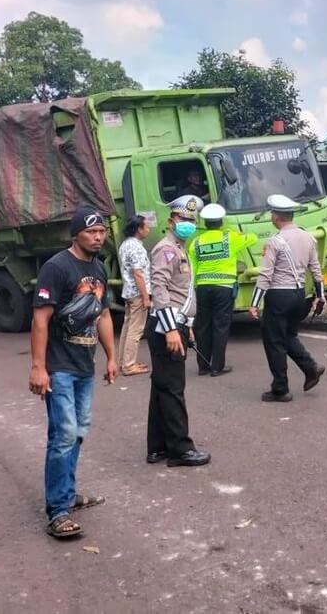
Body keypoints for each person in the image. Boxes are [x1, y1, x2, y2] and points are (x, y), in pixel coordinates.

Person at [29, 207, 118, 539]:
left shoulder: (97, 267)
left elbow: (103, 314)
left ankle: (67, 494)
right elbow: (40, 320)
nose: (98, 237)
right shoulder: (56, 267)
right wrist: (38, 368)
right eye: (91, 232)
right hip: (60, 367)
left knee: (78, 431)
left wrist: (112, 357)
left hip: (85, 365)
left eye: (102, 232)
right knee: (63, 435)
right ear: (76, 234)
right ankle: (58, 511)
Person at [145, 195, 211, 467]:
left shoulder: (180, 247)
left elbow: (180, 291)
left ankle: (158, 447)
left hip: (174, 323)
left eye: (192, 220)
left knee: (162, 386)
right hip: (166, 325)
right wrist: (172, 329)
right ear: (171, 219)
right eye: (184, 219)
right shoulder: (167, 249)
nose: (188, 224)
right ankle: (180, 449)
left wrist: (188, 328)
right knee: (173, 388)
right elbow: (158, 288)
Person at [249, 194, 325, 403]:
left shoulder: (275, 242)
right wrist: (321, 296)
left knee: (273, 341)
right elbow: (316, 270)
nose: (271, 217)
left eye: (272, 213)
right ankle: (311, 368)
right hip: (299, 294)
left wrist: (254, 303)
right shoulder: (308, 237)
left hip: (279, 295)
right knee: (288, 335)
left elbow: (266, 275)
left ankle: (280, 388)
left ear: (277, 216)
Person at [189, 203, 257, 376]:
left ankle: (203, 366)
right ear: (221, 221)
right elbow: (253, 238)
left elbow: (193, 268)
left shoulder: (195, 242)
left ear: (204, 222)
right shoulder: (230, 238)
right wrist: (231, 230)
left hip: (203, 287)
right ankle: (217, 366)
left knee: (203, 325)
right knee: (220, 326)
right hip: (224, 288)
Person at [118, 214, 152, 376]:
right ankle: (129, 365)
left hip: (129, 291)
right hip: (138, 292)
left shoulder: (126, 244)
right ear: (139, 229)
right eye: (146, 226)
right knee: (136, 330)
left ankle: (123, 361)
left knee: (127, 327)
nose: (148, 229)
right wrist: (146, 297)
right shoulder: (137, 247)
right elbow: (138, 273)